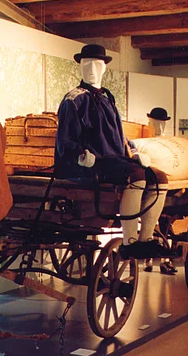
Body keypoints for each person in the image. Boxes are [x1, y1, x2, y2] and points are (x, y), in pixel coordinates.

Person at [54, 44, 175, 260]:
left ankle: (145, 238)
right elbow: (65, 139)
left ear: (104, 68)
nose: (91, 68)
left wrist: (135, 151)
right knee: (135, 176)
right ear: (79, 67)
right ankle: (129, 242)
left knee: (159, 178)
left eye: (97, 64)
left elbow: (117, 134)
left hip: (114, 158)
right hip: (90, 164)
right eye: (86, 64)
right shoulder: (74, 99)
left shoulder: (107, 98)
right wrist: (81, 154)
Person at [143, 107, 177, 274]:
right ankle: (147, 259)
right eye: (156, 122)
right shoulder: (144, 140)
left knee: (164, 222)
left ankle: (163, 260)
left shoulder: (167, 143)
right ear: (150, 122)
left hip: (165, 185)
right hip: (149, 183)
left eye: (162, 123)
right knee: (151, 221)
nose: (160, 126)